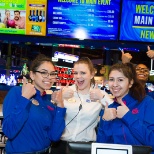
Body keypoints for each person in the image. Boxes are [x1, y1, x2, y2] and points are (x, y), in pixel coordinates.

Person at [2, 54, 66, 153]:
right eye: (44, 73)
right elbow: (9, 130)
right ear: (32, 75)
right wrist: (25, 98)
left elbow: (54, 136)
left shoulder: (48, 103)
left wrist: (60, 106)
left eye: (52, 74)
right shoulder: (17, 92)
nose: (49, 77)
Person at [51, 57, 113, 154]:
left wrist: (102, 97)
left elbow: (115, 110)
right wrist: (60, 96)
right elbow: (51, 112)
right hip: (62, 145)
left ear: (92, 74)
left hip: (86, 147)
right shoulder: (66, 91)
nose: (78, 76)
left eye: (83, 73)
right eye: (75, 73)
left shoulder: (99, 94)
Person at [97, 63, 154, 153]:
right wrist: (105, 121)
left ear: (130, 83)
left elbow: (152, 141)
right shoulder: (109, 109)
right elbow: (101, 147)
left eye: (120, 80)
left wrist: (128, 116)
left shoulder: (147, 102)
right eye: (112, 79)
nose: (115, 84)